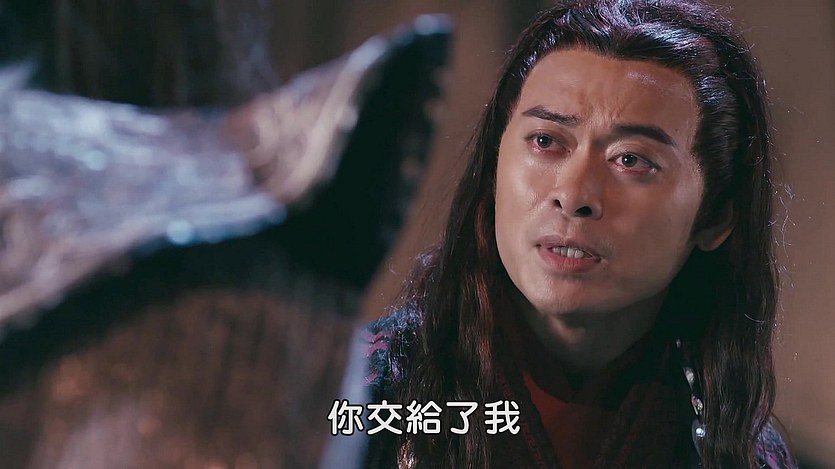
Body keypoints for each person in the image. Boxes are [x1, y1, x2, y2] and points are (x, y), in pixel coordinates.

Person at [363, 0, 796, 467]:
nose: (573, 195)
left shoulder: (740, 451)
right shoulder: (362, 396)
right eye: (545, 141)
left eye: (631, 160)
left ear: (715, 219)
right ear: (493, 168)